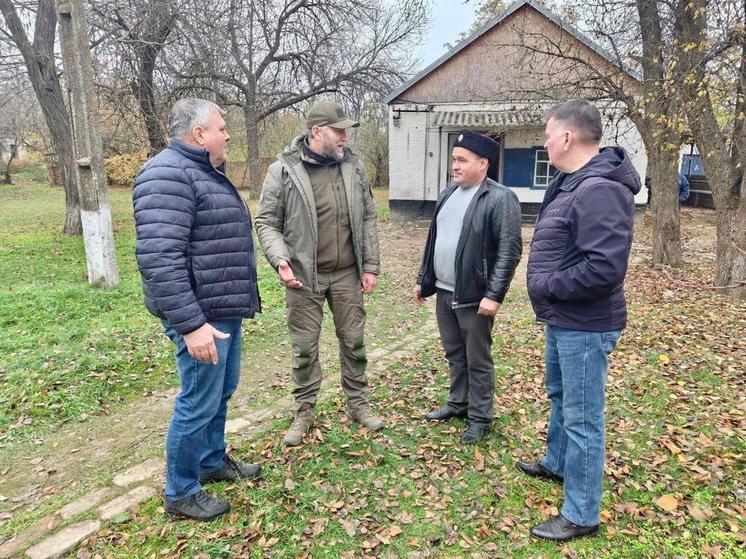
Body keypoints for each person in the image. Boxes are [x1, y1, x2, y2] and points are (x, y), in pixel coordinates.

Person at [133, 98, 262, 521]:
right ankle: (181, 491)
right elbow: (159, 259)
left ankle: (209, 460)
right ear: (199, 134)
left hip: (221, 311)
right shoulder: (167, 174)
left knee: (220, 392)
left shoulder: (201, 171)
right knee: (197, 400)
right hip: (200, 317)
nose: (227, 135)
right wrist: (191, 326)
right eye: (222, 128)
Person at [519, 99, 640, 541]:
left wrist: (547, 284)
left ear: (567, 137)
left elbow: (604, 269)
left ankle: (582, 513)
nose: (546, 142)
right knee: (560, 395)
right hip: (564, 317)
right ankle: (557, 462)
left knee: (583, 416)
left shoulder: (600, 189)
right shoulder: (573, 182)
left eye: (549, 134)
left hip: (586, 323)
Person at [255, 100, 382, 446]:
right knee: (305, 348)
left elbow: (369, 217)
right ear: (316, 132)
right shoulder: (283, 170)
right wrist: (279, 258)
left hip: (346, 275)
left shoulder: (353, 166)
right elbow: (266, 222)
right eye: (339, 131)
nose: (345, 137)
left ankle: (358, 404)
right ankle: (305, 409)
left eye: (346, 131)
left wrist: (369, 265)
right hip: (303, 277)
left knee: (354, 342)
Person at [413, 130, 522, 444]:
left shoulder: (500, 198)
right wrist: (424, 280)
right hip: (445, 292)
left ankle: (480, 417)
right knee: (454, 354)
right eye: (453, 159)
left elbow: (509, 250)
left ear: (483, 163)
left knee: (477, 358)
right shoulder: (448, 194)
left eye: (462, 160)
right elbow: (435, 240)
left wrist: (494, 294)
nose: (455, 166)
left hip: (475, 297)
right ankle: (458, 403)